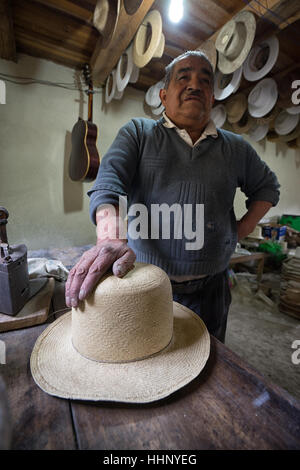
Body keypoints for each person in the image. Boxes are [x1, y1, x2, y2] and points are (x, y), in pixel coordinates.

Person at [65, 50, 280, 342]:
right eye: (184, 77)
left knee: (208, 361)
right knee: (148, 359)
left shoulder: (236, 148)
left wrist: (240, 229)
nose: (195, 85)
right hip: (146, 283)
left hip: (211, 290)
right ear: (164, 96)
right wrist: (111, 240)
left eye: (205, 81)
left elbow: (267, 187)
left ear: (212, 99)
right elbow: (107, 183)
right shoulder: (139, 134)